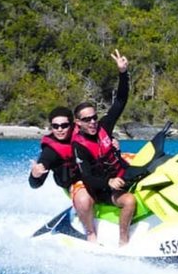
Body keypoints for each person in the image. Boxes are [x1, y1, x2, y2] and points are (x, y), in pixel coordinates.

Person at [72, 49, 137, 247]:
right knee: (129, 201)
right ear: (78, 122)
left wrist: (123, 73)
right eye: (87, 119)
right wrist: (108, 182)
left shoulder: (104, 127)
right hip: (102, 187)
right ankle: (123, 241)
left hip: (122, 174)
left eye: (94, 117)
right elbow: (87, 177)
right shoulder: (79, 146)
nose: (92, 122)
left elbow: (120, 102)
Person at [29, 106, 98, 242]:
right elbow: (35, 184)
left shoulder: (84, 133)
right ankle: (91, 234)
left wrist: (113, 142)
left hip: (95, 173)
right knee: (84, 200)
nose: (60, 129)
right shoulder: (50, 152)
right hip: (75, 183)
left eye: (64, 125)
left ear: (72, 125)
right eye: (55, 126)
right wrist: (35, 175)